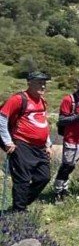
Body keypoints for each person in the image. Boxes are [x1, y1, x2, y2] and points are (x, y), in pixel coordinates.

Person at [1, 72, 53, 212]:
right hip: (21, 143)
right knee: (22, 179)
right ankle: (19, 211)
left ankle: (20, 203)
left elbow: (43, 122)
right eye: (39, 82)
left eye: (44, 83)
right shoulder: (18, 99)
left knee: (44, 177)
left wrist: (48, 143)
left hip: (40, 147)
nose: (42, 85)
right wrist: (7, 141)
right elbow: (2, 118)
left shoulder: (42, 100)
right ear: (29, 82)